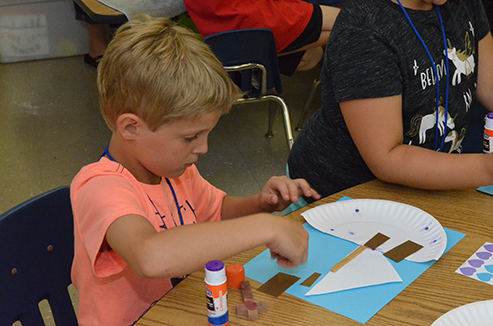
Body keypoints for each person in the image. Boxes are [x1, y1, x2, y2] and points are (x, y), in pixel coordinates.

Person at [70, 15, 320, 325]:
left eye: (206, 134)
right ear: (131, 127)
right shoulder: (99, 186)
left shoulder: (175, 170)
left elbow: (216, 211)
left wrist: (260, 204)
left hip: (183, 311)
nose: (203, 148)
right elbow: (150, 256)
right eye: (190, 137)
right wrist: (266, 227)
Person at [287, 0, 493, 206]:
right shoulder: (365, 28)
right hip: (341, 197)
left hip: (424, 189)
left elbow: (489, 86)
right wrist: (487, 168)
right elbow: (388, 158)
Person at [183, 0, 341, 76]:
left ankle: (251, 62)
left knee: (312, 56)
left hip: (223, 34)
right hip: (256, 18)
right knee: (351, 22)